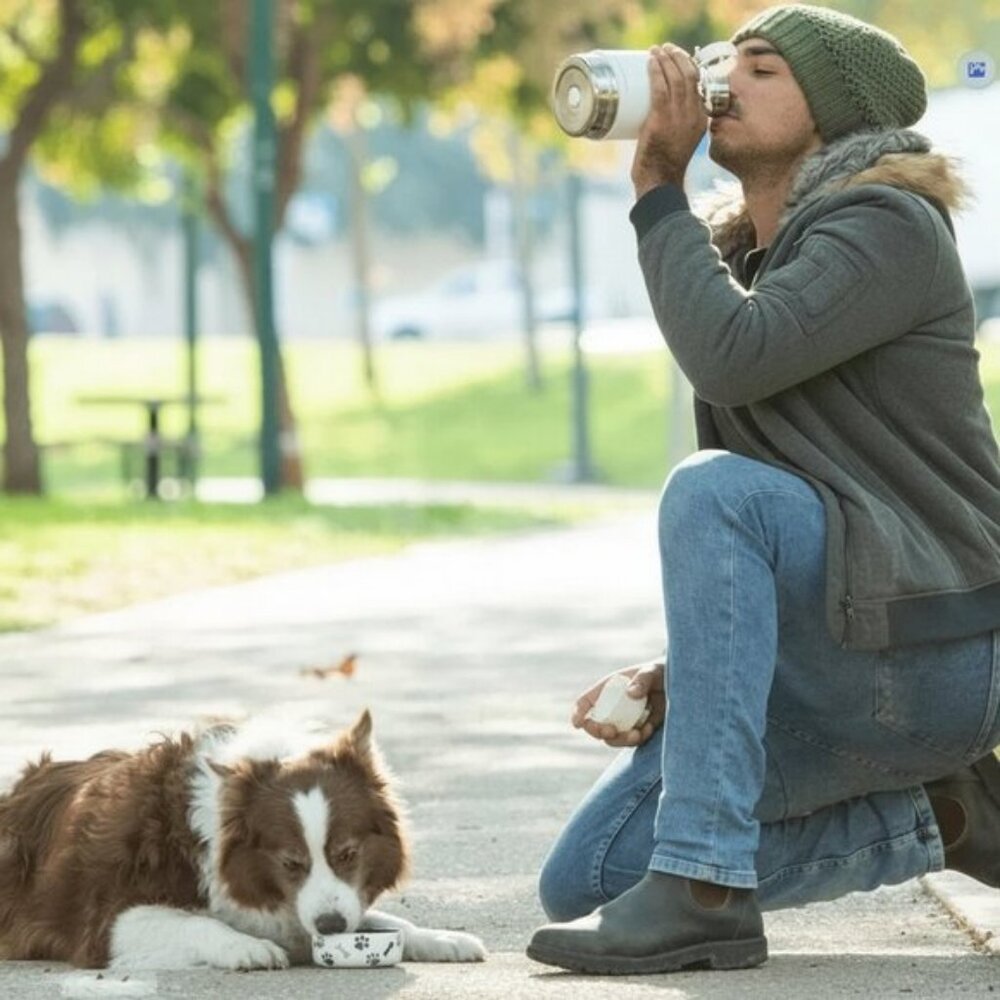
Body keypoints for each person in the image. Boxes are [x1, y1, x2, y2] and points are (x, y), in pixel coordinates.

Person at [526, 4, 1000, 976]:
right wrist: (689, 664)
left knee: (710, 489)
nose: (722, 83)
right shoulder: (746, 257)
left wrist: (657, 182)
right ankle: (943, 815)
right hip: (829, 659)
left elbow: (733, 361)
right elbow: (788, 509)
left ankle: (703, 890)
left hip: (930, 648)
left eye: (763, 68)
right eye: (719, 62)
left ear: (831, 111)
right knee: (588, 876)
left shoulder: (889, 224)